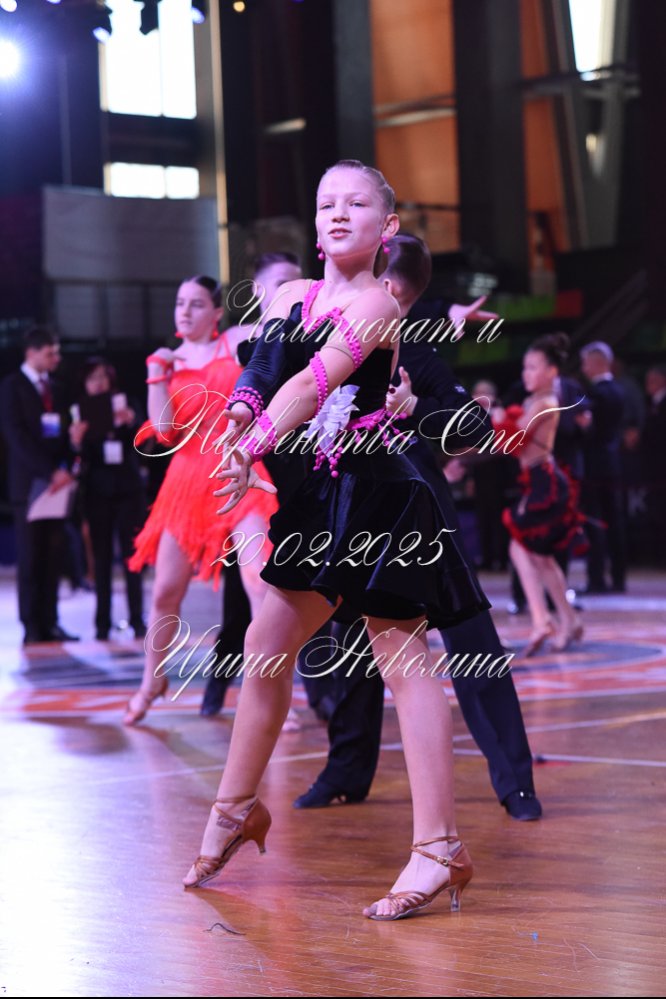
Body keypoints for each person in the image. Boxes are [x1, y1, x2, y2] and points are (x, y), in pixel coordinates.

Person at [182, 160, 483, 920]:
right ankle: (235, 809)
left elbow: (311, 383)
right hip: (320, 496)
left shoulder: (380, 302)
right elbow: (264, 369)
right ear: (315, 223)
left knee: (404, 660)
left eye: (355, 203)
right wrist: (239, 420)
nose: (338, 213)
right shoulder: (290, 295)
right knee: (265, 648)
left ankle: (439, 847)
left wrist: (252, 444)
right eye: (326, 204)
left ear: (388, 226)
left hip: (378, 493)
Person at [293, 234, 541, 821]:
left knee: (473, 645)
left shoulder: (415, 352)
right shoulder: (332, 341)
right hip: (352, 519)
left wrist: (412, 409)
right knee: (352, 649)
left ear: (390, 288)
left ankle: (516, 783)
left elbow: (473, 427)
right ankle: (345, 772)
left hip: (423, 520)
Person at [123, 275, 278, 725]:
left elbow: (280, 323)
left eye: (195, 304)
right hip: (187, 481)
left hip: (239, 471)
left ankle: (266, 692)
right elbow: (163, 433)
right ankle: (152, 680)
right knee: (164, 592)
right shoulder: (167, 360)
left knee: (258, 582)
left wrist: (279, 287)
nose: (185, 311)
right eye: (179, 303)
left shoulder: (235, 341)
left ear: (216, 312)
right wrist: (157, 373)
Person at [502, 334, 587, 655]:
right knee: (539, 557)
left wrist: (494, 418)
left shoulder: (546, 402)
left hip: (545, 483)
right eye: (525, 367)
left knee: (522, 548)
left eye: (533, 367)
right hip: (537, 481)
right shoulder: (533, 401)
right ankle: (564, 620)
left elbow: (515, 440)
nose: (526, 373)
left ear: (552, 371)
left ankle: (544, 619)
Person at [0, 326, 79, 644]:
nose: (56, 358)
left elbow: (64, 432)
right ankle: (31, 625)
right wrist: (49, 472)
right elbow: (16, 437)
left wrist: (66, 468)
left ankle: (51, 621)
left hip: (57, 486)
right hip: (29, 485)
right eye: (50, 353)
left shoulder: (57, 389)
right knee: (31, 558)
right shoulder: (12, 387)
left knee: (53, 556)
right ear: (31, 353)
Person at [69, 357, 147, 640]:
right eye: (92, 378)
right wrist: (76, 441)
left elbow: (146, 441)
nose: (98, 383)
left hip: (128, 489)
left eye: (103, 376)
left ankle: (137, 618)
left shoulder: (128, 403)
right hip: (97, 491)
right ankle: (102, 623)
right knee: (101, 559)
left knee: (132, 557)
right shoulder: (80, 410)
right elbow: (78, 455)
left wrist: (132, 422)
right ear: (85, 383)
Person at [579, 341, 627, 593]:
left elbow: (589, 431)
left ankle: (596, 579)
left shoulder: (594, 394)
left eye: (585, 363)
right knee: (615, 522)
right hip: (614, 464)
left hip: (594, 466)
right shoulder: (620, 390)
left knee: (595, 522)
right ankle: (619, 578)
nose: (583, 368)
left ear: (597, 363)